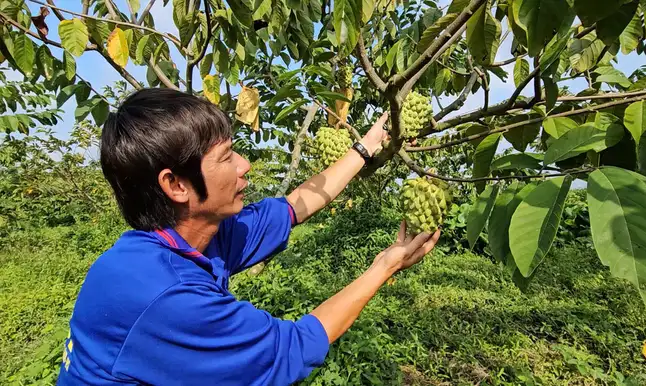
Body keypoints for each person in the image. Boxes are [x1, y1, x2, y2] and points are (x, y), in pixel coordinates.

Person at [56, 88, 441, 385]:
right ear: (175, 185)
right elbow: (290, 350)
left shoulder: (189, 236)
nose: (245, 165)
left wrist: (366, 146)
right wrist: (385, 266)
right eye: (226, 157)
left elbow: (293, 207)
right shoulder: (166, 296)